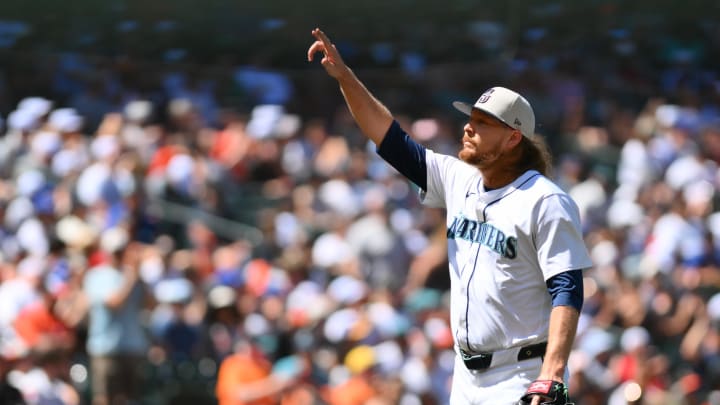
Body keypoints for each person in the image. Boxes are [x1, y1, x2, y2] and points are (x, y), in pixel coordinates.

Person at [307, 28, 593, 405]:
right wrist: (345, 78)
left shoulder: (544, 200)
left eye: (483, 122)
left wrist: (552, 373)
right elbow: (389, 138)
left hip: (521, 374)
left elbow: (567, 289)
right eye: (470, 117)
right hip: (464, 376)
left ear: (512, 139)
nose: (468, 127)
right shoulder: (458, 178)